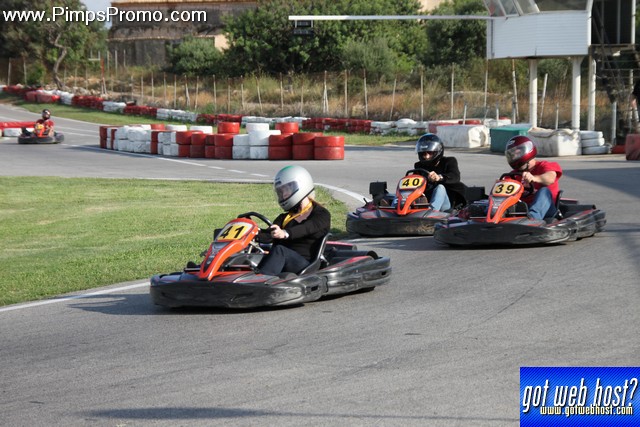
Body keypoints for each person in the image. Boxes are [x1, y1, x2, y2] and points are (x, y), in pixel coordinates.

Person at [256, 165, 331, 276]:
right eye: (281, 191)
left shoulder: (321, 214)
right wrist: (252, 232)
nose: (283, 194)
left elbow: (306, 228)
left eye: (287, 189)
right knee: (253, 252)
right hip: (283, 259)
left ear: (301, 185)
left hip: (305, 264)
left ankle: (259, 282)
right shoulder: (285, 217)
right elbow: (268, 235)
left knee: (280, 250)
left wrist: (285, 233)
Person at [504, 135, 563, 220]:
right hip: (521, 210)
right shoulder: (512, 175)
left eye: (517, 153)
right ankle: (490, 215)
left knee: (544, 191)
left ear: (527, 151)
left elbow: (550, 178)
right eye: (512, 154)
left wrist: (534, 178)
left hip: (547, 210)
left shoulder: (545, 166)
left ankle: (532, 219)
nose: (514, 156)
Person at [413, 133, 467, 211]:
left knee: (440, 187)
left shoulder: (449, 161)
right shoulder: (418, 166)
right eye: (424, 153)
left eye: (430, 153)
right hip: (426, 200)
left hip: (447, 205)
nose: (426, 156)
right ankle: (400, 208)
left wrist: (439, 177)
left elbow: (455, 177)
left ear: (437, 152)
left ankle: (431, 212)